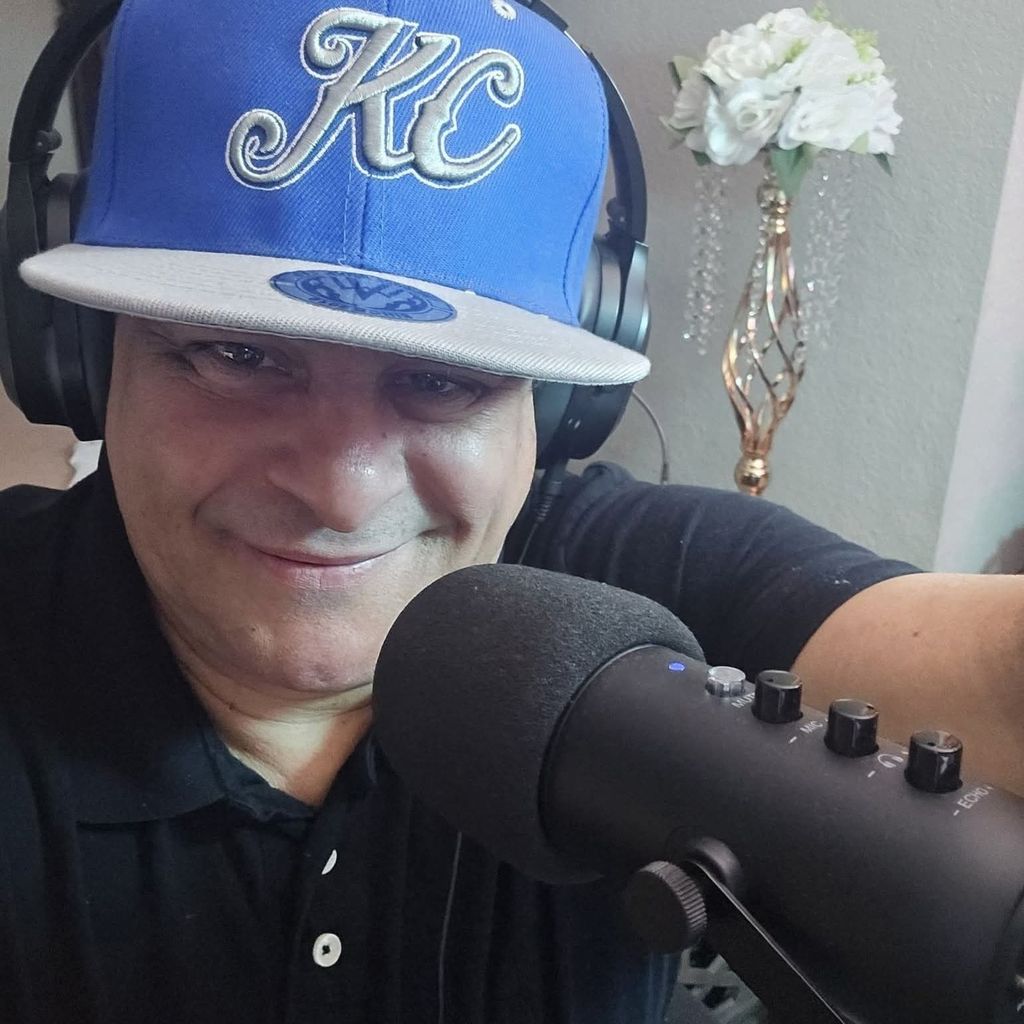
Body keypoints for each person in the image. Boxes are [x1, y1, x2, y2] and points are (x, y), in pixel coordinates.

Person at [0, 0, 1021, 1022]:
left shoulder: (623, 592)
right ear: (79, 356)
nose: (342, 491)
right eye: (237, 354)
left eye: (445, 382)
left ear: (555, 416)